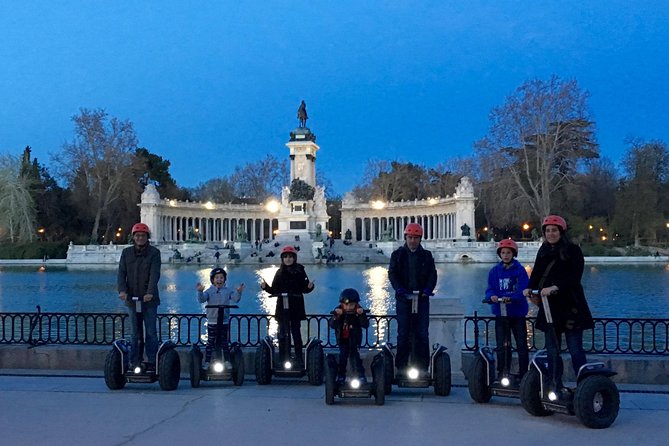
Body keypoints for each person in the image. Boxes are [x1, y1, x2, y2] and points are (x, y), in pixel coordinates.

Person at [523, 215, 594, 395]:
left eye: (554, 230)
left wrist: (556, 287)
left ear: (561, 232)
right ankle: (554, 385)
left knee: (575, 349)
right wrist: (529, 288)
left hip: (571, 306)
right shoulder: (543, 250)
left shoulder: (573, 250)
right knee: (552, 350)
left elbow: (574, 276)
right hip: (550, 308)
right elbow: (537, 272)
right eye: (548, 231)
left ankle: (584, 388)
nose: (551, 233)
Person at [388, 223, 437, 375]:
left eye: (415, 238)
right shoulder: (397, 255)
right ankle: (401, 367)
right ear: (405, 238)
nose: (412, 241)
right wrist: (399, 289)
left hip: (421, 299)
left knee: (422, 332)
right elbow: (392, 274)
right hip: (404, 299)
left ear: (420, 239)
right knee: (403, 333)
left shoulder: (427, 255)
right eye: (410, 238)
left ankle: (423, 366)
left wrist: (428, 289)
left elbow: (432, 274)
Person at [117, 222, 161, 372]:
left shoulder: (154, 253)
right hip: (131, 298)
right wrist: (122, 291)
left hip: (149, 300)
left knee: (150, 332)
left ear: (147, 237)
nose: (140, 238)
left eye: (143, 235)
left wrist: (150, 292)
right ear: (133, 237)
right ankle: (134, 360)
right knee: (134, 333)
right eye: (137, 236)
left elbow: (154, 274)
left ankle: (153, 361)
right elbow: (121, 273)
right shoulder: (126, 253)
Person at [260, 245, 315, 366]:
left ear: (294, 258)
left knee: (296, 332)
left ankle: (299, 357)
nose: (288, 259)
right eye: (285, 257)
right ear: (282, 259)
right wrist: (265, 288)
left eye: (290, 257)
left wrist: (310, 287)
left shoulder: (300, 270)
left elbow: (304, 288)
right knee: (283, 333)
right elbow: (274, 289)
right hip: (282, 307)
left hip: (296, 306)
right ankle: (283, 357)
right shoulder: (279, 272)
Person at [485, 239, 529, 381]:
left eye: (508, 253)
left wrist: (512, 297)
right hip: (501, 313)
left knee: (521, 344)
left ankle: (524, 373)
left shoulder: (520, 270)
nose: (505, 255)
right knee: (502, 345)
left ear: (513, 254)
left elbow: (523, 289)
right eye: (503, 253)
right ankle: (502, 372)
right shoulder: (494, 271)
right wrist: (491, 296)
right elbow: (490, 288)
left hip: (517, 313)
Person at [196, 267, 245, 370]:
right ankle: (207, 362)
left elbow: (235, 299)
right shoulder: (209, 291)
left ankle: (227, 361)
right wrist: (200, 292)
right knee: (210, 342)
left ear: (224, 279)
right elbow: (202, 299)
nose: (219, 280)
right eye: (217, 278)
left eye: (221, 278)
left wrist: (239, 292)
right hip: (212, 321)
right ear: (213, 280)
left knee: (224, 342)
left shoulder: (228, 291)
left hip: (224, 321)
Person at [329, 288, 369, 384]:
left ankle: (361, 376)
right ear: (342, 304)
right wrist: (336, 316)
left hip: (354, 340)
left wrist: (361, 315)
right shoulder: (338, 312)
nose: (348, 307)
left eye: (351, 305)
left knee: (355, 357)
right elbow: (332, 325)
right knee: (343, 358)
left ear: (355, 304)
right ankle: (341, 376)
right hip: (343, 340)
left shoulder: (358, 313)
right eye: (346, 305)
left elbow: (365, 325)